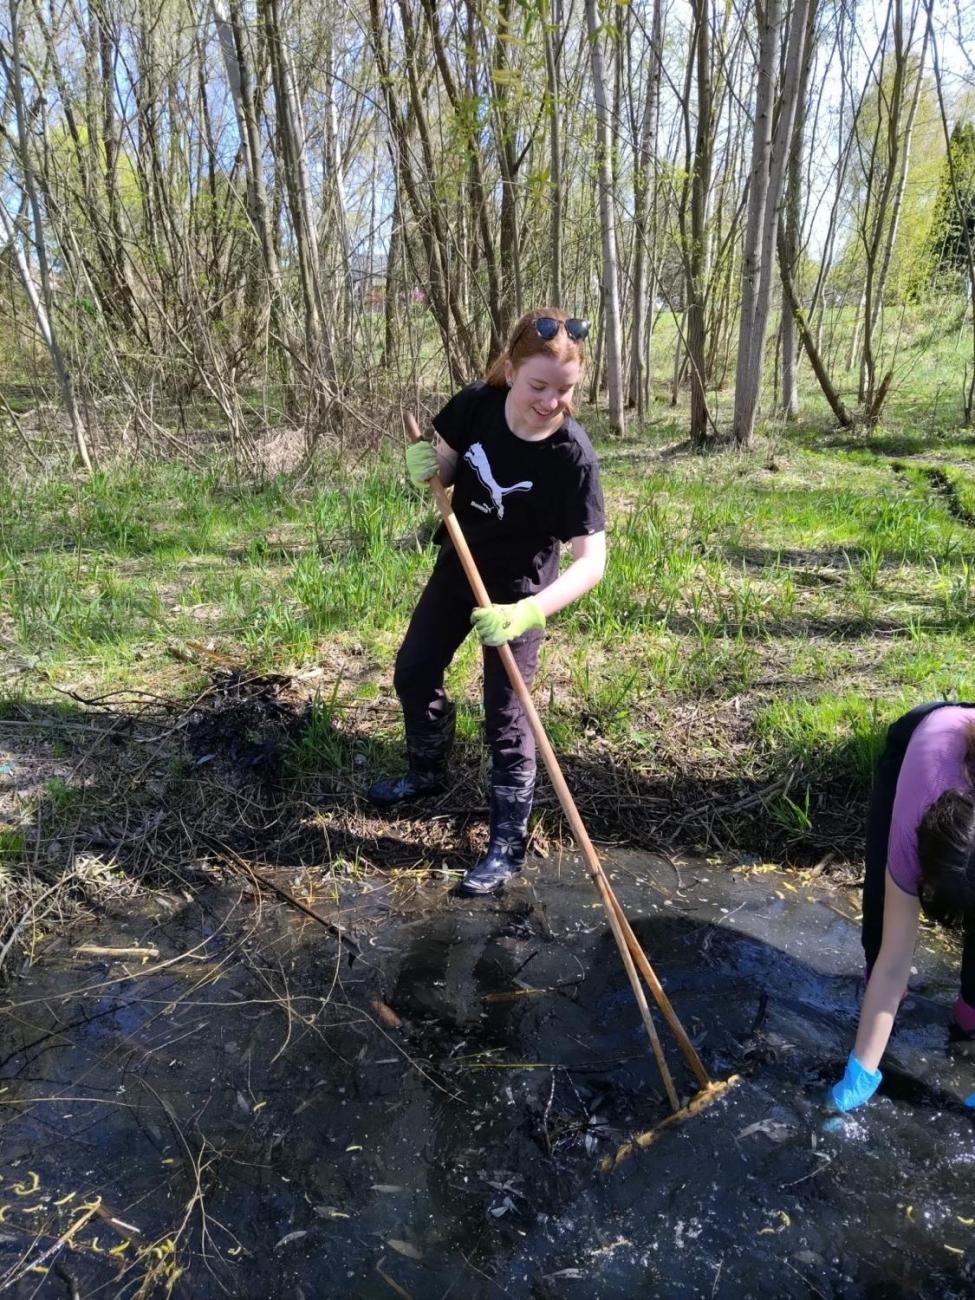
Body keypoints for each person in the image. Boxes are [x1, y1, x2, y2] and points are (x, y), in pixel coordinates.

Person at [368, 308, 606, 896]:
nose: (550, 402)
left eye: (565, 391)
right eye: (538, 386)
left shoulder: (573, 458)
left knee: (507, 714)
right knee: (415, 670)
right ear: (509, 368)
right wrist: (421, 467)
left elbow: (592, 561)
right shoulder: (475, 404)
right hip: (460, 567)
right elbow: (443, 469)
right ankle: (426, 771)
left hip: (523, 591)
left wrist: (528, 612)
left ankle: (506, 843)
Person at [829, 702, 975, 1111]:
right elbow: (897, 960)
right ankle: (878, 1026)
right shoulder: (914, 830)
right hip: (921, 745)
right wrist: (861, 1072)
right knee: (884, 914)